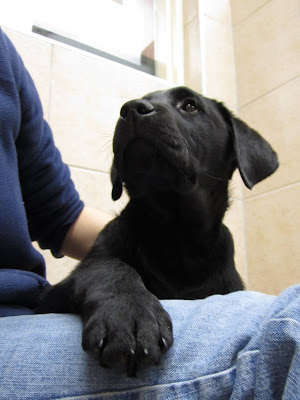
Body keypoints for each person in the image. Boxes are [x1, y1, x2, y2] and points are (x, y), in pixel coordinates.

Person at [0, 27, 299, 400]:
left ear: (236, 155)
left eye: (189, 106)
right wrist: (110, 278)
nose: (137, 110)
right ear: (119, 177)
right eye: (136, 105)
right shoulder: (114, 252)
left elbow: (59, 214)